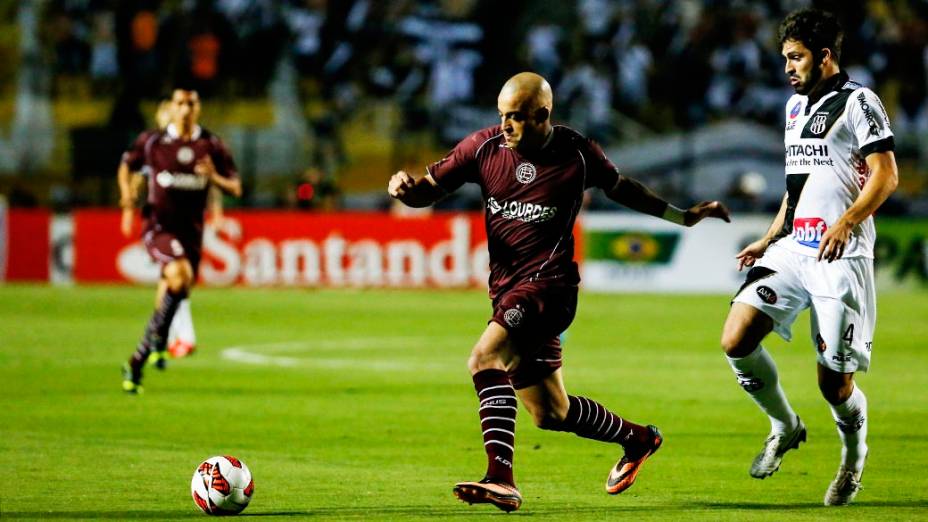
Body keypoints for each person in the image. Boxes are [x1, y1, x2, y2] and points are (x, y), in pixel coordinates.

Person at [388, 72, 730, 512]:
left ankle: (501, 478)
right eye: (502, 116)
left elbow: (621, 188)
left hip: (550, 288)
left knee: (484, 357)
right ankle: (639, 439)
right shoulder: (483, 147)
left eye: (516, 117)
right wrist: (404, 190)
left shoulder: (578, 153)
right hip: (507, 290)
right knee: (551, 413)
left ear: (543, 115)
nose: (506, 126)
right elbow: (426, 193)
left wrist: (681, 217)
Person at [720, 8, 898, 506]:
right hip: (795, 249)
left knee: (834, 384)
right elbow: (796, 187)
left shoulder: (860, 101)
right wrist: (770, 235)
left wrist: (847, 222)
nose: (787, 68)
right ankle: (784, 425)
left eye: (795, 58)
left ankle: (851, 462)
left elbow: (886, 175)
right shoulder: (794, 109)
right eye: (784, 58)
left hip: (842, 256)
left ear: (825, 57)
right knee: (736, 339)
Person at [118, 88, 242, 393]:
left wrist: (213, 177)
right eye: (180, 103)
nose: (185, 108)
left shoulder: (210, 145)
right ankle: (162, 339)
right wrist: (126, 198)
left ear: (198, 108)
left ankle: (140, 358)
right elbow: (127, 166)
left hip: (192, 233)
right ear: (170, 108)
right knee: (178, 274)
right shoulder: (152, 142)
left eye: (191, 103)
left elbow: (236, 187)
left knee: (177, 284)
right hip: (159, 227)